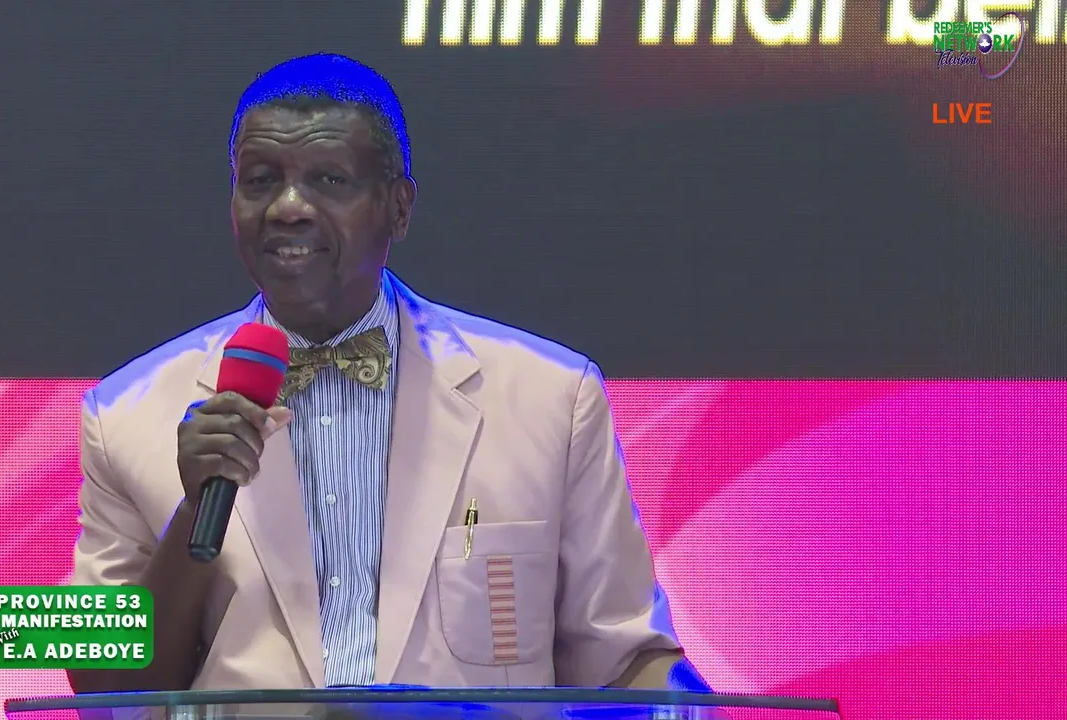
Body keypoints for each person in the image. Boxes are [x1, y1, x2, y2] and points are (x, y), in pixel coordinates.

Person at [68, 53, 701, 693]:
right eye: (259, 180)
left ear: (399, 207)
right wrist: (195, 509)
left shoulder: (552, 397)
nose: (287, 207)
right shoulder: (123, 415)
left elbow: (626, 659)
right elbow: (99, 682)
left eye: (329, 180)